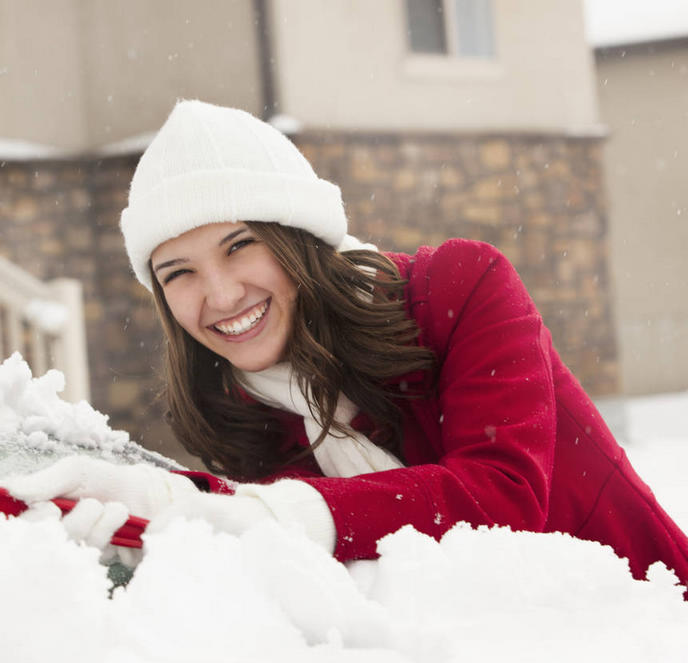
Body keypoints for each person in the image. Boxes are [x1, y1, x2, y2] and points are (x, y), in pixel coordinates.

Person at [8, 99, 688, 585]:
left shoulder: (460, 288)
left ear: (298, 237)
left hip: (641, 647)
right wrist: (155, 501)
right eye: (178, 273)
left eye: (239, 245)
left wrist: (265, 516)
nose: (218, 295)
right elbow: (284, 523)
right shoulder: (240, 408)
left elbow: (502, 496)